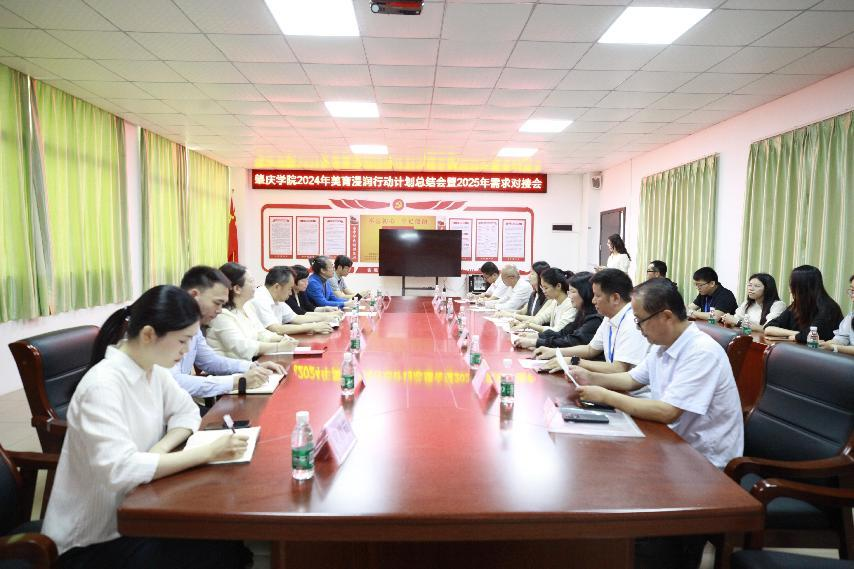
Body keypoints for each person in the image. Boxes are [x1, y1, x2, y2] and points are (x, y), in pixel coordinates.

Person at [42, 285, 253, 569]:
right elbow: (122, 470)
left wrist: (160, 449)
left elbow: (187, 411)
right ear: (149, 334)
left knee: (227, 541)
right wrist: (207, 453)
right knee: (220, 549)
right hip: (92, 539)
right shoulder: (102, 386)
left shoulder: (152, 369)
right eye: (182, 341)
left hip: (138, 508)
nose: (186, 351)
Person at [568, 278, 743, 569]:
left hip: (702, 464)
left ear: (666, 316)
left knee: (620, 500)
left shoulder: (701, 352)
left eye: (640, 321)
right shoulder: (663, 345)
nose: (639, 328)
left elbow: (667, 412)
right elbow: (632, 379)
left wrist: (606, 396)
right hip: (670, 446)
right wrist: (591, 377)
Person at [173, 266, 284, 398]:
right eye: (217, 303)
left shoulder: (194, 325)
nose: (220, 310)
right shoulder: (168, 323)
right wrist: (238, 381)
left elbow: (209, 360)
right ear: (194, 295)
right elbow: (174, 382)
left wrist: (252, 366)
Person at [533, 269, 649, 375]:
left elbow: (619, 368)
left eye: (597, 296)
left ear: (615, 298)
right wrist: (555, 352)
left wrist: (573, 361)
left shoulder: (631, 322)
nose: (593, 300)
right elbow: (590, 349)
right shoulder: (609, 317)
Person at [206, 262, 299, 360]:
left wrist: (283, 339)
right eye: (250, 281)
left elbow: (261, 333)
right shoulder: (221, 315)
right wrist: (278, 347)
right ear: (237, 289)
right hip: (228, 367)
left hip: (248, 364)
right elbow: (243, 347)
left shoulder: (247, 306)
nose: (255, 285)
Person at [764, 265, 844, 343]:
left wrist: (799, 336)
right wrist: (797, 334)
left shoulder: (828, 308)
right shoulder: (796, 305)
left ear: (802, 287)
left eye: (792, 285)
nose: (789, 289)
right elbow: (768, 328)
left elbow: (811, 336)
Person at [249, 265, 337, 336]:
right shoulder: (261, 298)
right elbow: (276, 329)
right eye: (289, 288)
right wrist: (312, 327)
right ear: (277, 287)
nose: (291, 293)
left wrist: (324, 318)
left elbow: (295, 318)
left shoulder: (277, 297)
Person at [526, 272, 603, 349]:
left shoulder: (594, 318)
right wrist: (534, 337)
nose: (569, 296)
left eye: (573, 292)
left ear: (586, 293)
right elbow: (563, 333)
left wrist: (536, 342)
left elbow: (572, 341)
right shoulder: (581, 312)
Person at [511, 268, 576, 348]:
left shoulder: (571, 305)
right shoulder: (555, 302)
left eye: (546, 288)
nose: (544, 291)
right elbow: (540, 318)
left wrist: (529, 326)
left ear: (558, 286)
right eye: (542, 288)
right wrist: (524, 325)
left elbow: (557, 331)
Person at [720, 273, 786, 332]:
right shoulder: (747, 303)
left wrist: (737, 322)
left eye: (757, 286)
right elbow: (735, 319)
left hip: (764, 340)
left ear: (767, 289)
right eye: (749, 285)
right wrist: (728, 319)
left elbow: (767, 328)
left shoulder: (778, 305)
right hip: (746, 337)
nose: (751, 289)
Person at [822, 274, 854, 355]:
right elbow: (842, 338)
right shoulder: (851, 316)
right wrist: (825, 344)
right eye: (852, 290)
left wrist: (834, 347)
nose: (852, 295)